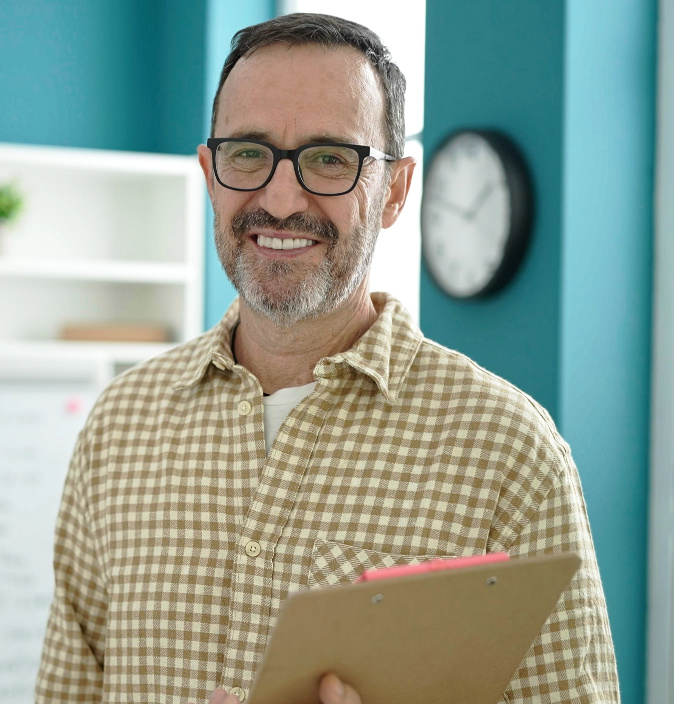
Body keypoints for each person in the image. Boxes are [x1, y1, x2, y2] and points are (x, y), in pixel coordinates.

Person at [36, 12, 620, 704]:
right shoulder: (120, 426)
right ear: (209, 173)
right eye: (248, 152)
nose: (281, 200)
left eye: (330, 159)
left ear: (396, 191)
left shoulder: (509, 452)